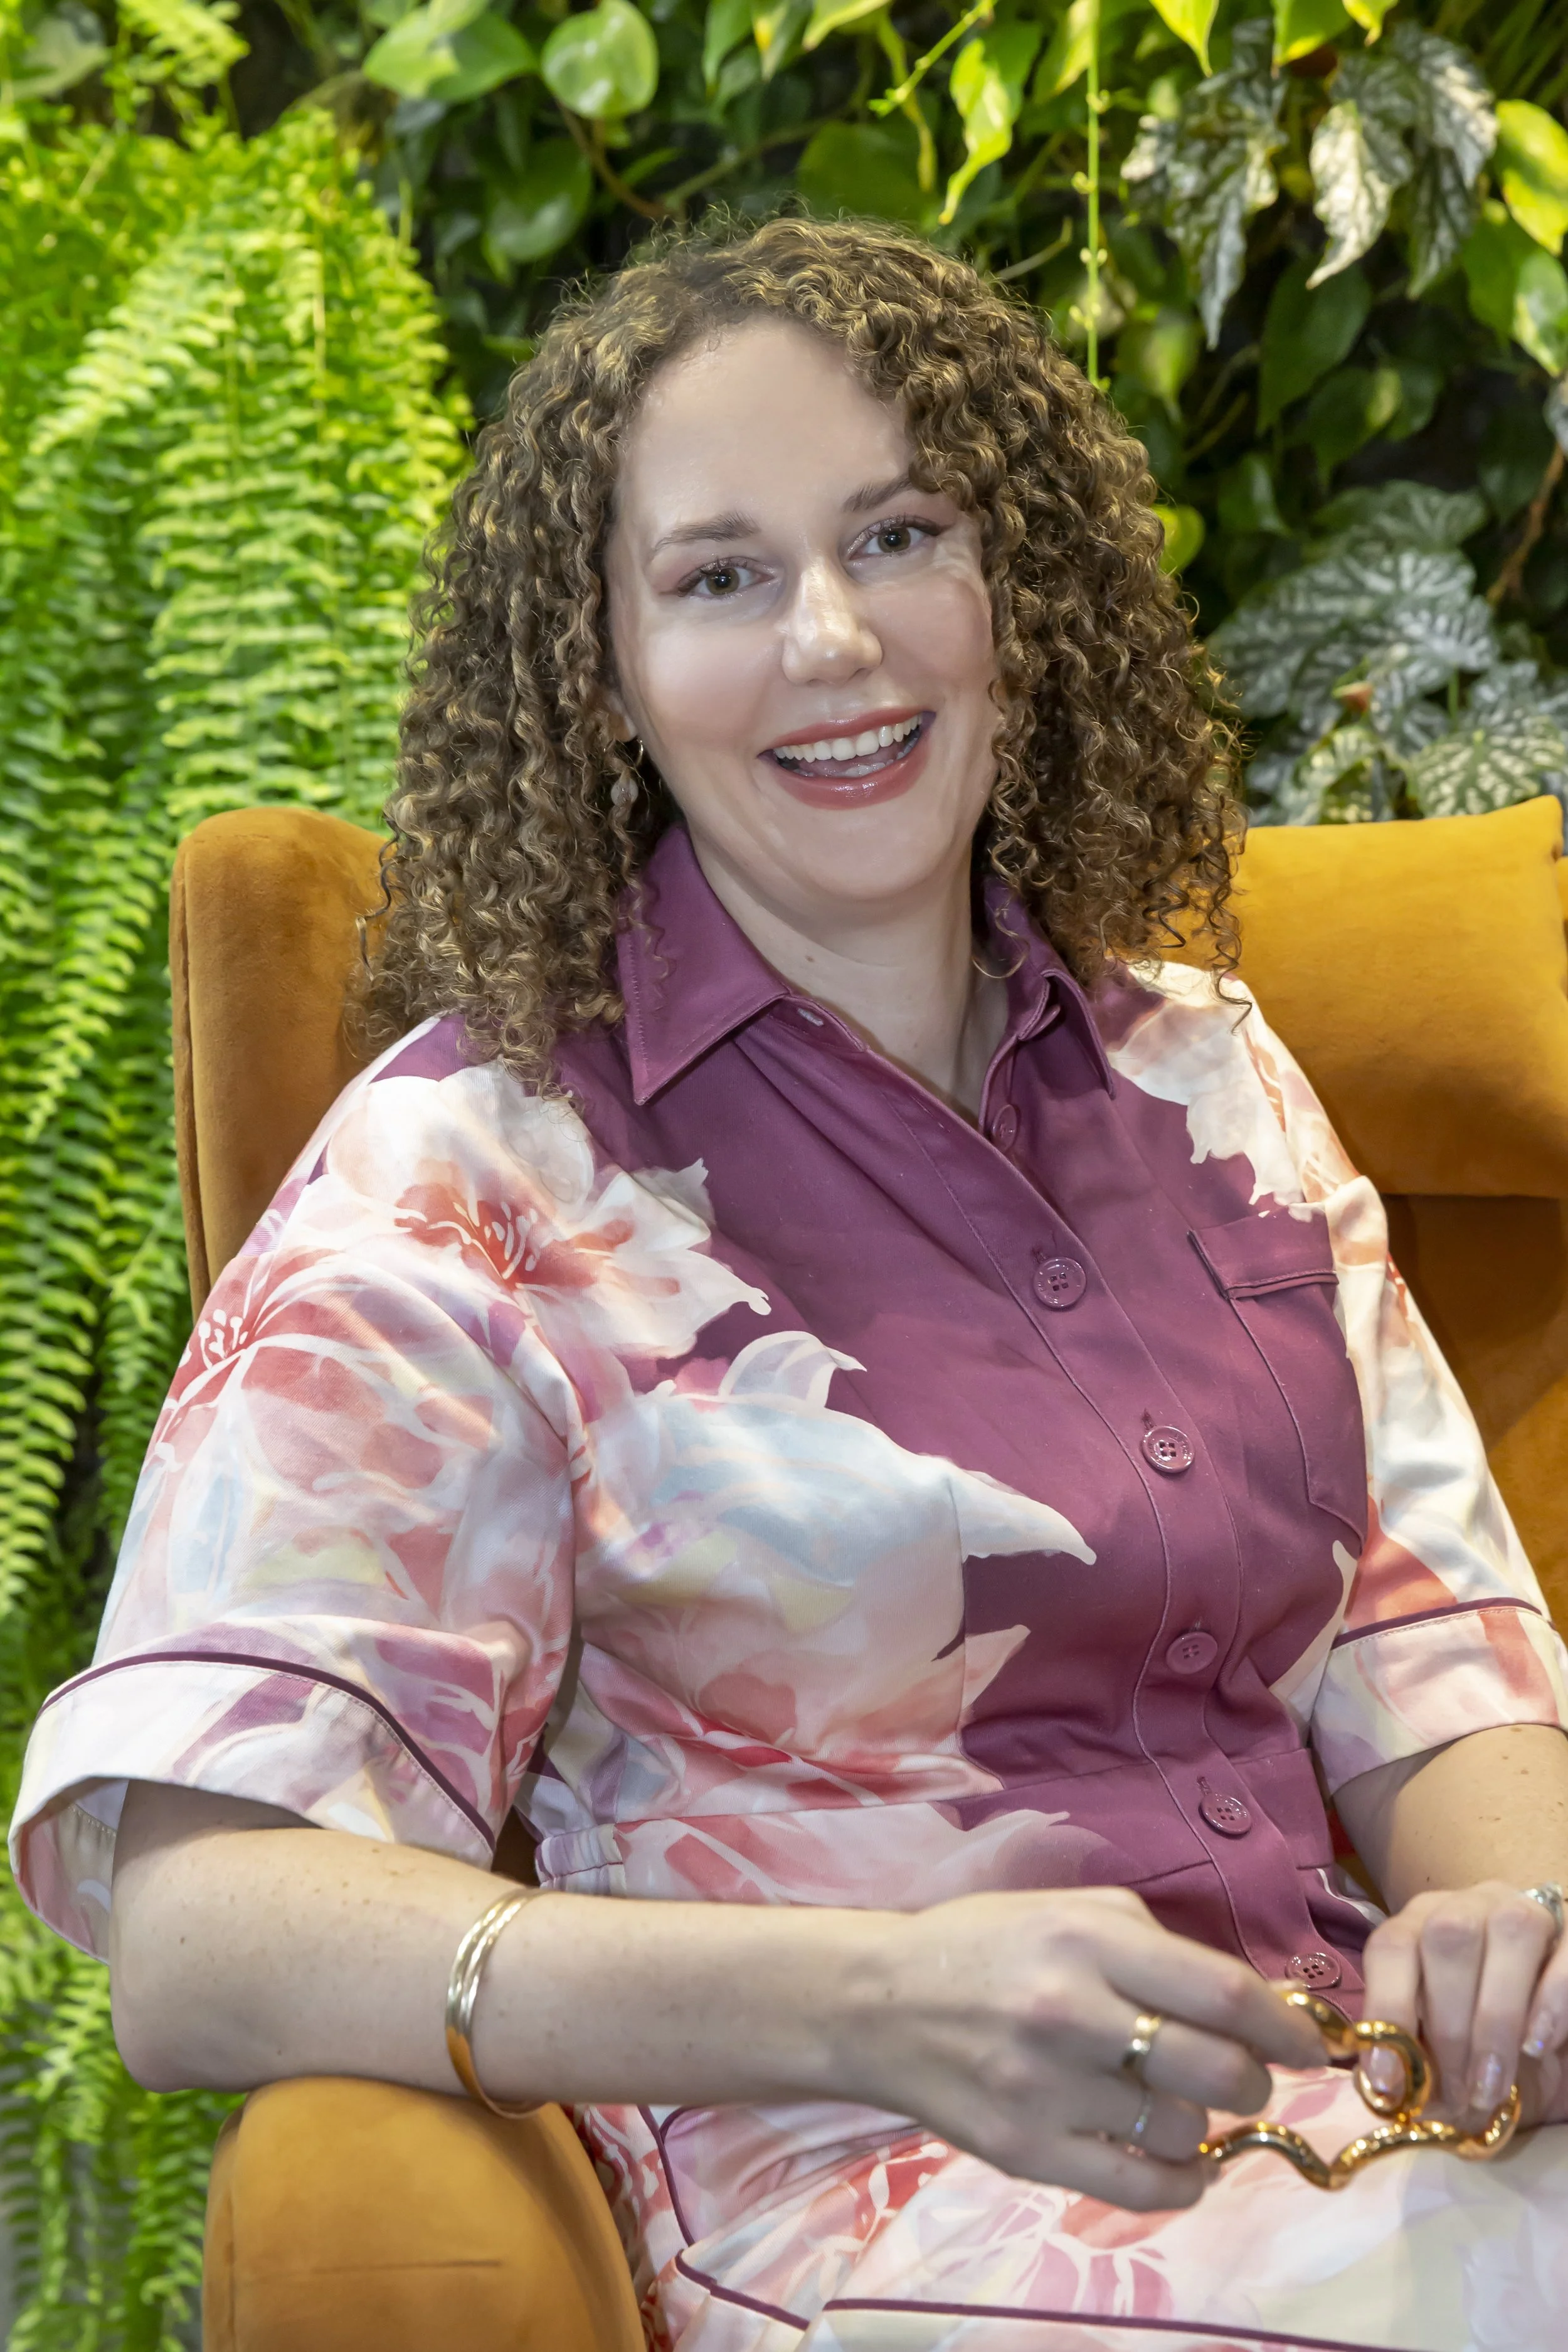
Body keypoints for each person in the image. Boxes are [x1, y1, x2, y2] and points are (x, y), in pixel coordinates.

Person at [12, 216, 1568, 2349]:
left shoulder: (1206, 1070)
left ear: (1014, 582)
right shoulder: (470, 1172)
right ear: (609, 670)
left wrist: (1514, 1917)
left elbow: (1418, 1638)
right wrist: (867, 1998)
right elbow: (197, 1925)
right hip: (875, 2194)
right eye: (720, 575)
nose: (833, 639)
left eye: (898, 532)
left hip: (1372, 2132)